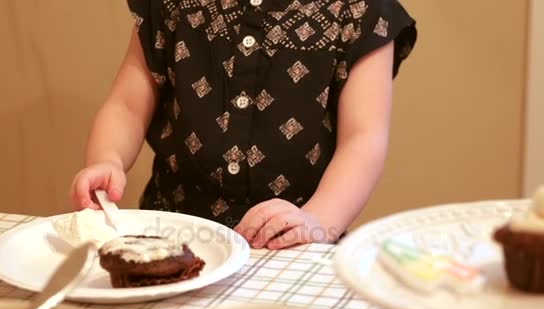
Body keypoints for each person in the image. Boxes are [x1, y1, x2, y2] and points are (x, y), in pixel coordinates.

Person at [70, 0, 417, 249]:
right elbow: (127, 106)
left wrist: (316, 219)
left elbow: (363, 140)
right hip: (174, 231)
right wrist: (107, 159)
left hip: (291, 241)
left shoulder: (362, 11)